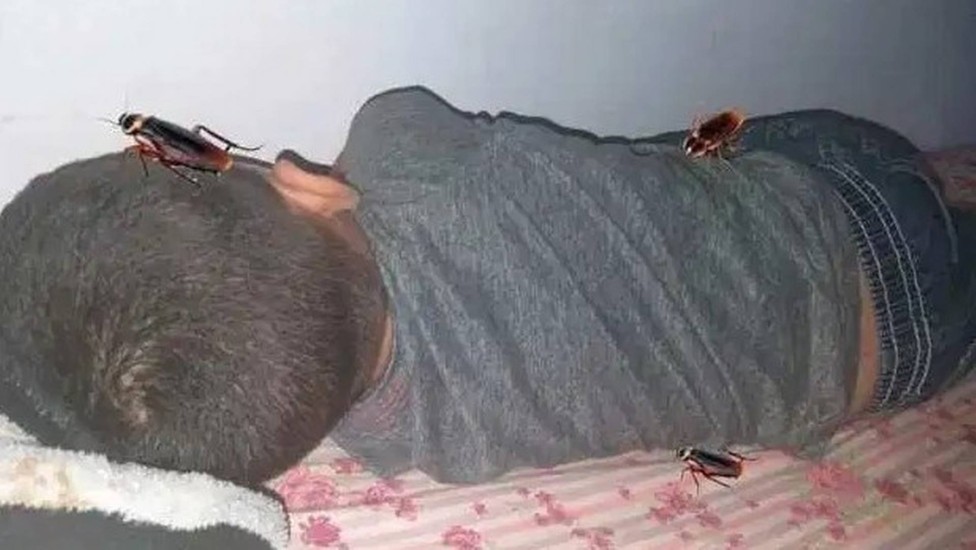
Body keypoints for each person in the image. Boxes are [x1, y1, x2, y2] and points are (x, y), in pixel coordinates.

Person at [0, 86, 973, 489]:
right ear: (306, 185)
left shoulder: (403, 449)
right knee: (670, 164)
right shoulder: (406, 152)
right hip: (857, 211)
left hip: (891, 374)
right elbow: (413, 129)